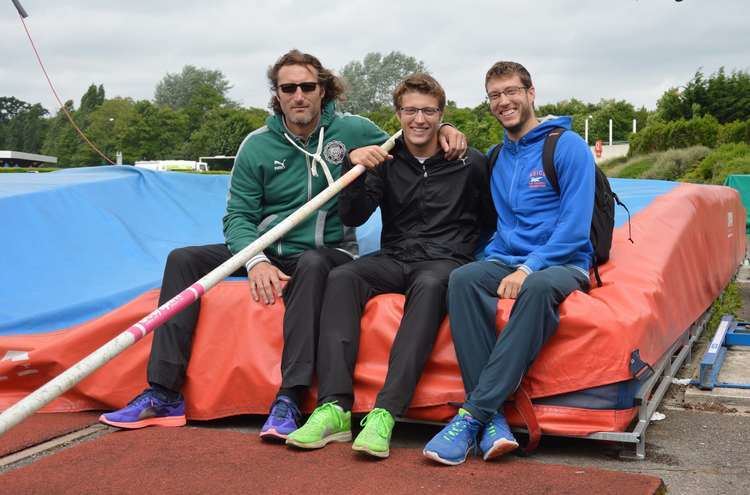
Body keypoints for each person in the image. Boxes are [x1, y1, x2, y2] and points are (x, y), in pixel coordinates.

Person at [98, 50, 467, 434]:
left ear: (324, 90)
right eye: (288, 88)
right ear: (277, 94)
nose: (299, 96)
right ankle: (163, 392)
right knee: (182, 259)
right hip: (269, 250)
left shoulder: (354, 130)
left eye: (308, 86)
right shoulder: (257, 145)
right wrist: (256, 260)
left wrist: (446, 129)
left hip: (328, 252)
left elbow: (411, 133)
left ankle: (290, 397)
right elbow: (238, 216)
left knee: (312, 263)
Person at [284, 74, 495, 458]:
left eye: (429, 111)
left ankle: (385, 412)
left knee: (431, 286)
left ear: (441, 115)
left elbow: (490, 219)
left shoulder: (469, 162)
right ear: (398, 114)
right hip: (396, 257)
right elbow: (355, 216)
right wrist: (355, 168)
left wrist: (469, 253)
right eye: (411, 110)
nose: (419, 119)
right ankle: (334, 408)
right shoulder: (385, 160)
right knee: (343, 275)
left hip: (446, 260)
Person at [422, 61, 596, 465]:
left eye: (511, 91)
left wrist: (529, 267)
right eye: (495, 96)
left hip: (562, 263)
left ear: (531, 93)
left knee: (535, 289)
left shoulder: (566, 146)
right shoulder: (499, 156)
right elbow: (501, 226)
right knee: (463, 279)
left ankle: (474, 414)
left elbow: (573, 228)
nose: (504, 101)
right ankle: (495, 419)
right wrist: (490, 260)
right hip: (509, 258)